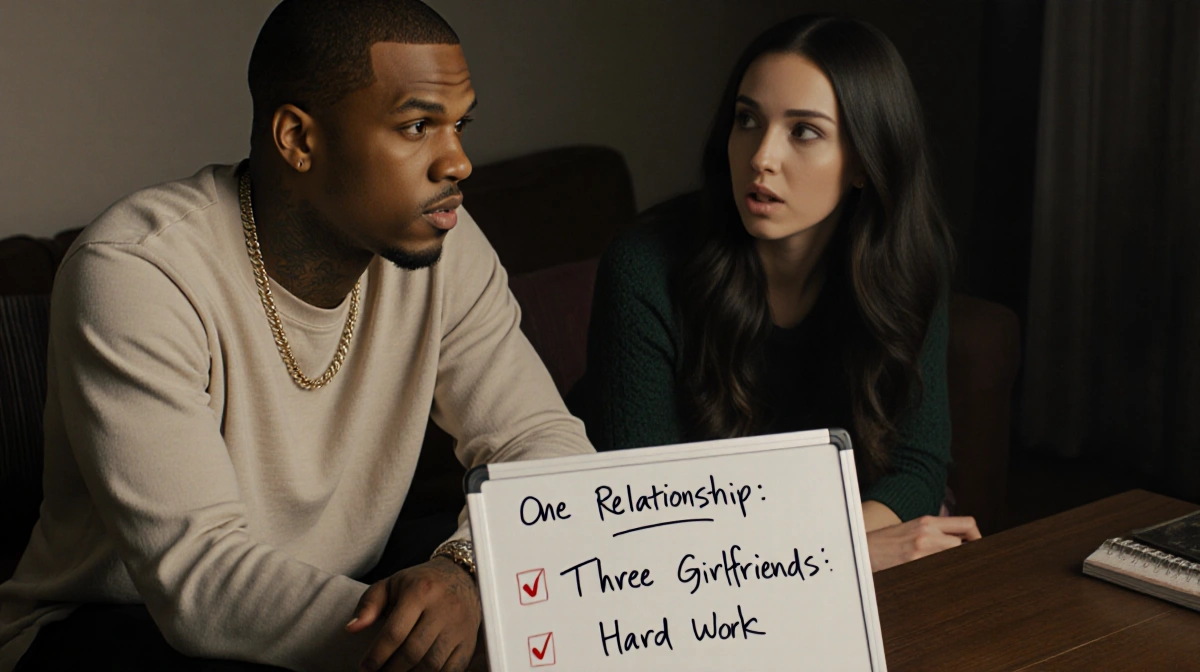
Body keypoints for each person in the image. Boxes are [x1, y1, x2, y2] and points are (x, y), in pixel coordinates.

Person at [0, 1, 593, 671]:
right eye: (418, 125)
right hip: (114, 625)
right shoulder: (138, 270)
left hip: (338, 600)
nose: (457, 161)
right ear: (298, 140)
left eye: (460, 125)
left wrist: (466, 573)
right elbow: (198, 578)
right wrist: (425, 635)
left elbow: (543, 441)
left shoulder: (441, 241)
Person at [576, 15, 980, 573]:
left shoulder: (910, 260)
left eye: (804, 131)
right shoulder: (644, 267)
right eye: (747, 120)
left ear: (864, 161)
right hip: (672, 569)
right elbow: (648, 514)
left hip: (813, 535)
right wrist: (838, 552)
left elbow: (917, 465)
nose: (761, 157)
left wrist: (833, 545)